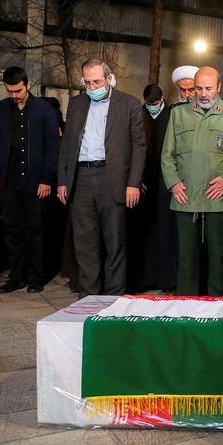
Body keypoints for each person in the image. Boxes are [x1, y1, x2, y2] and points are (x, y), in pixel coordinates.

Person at [57, 58, 146, 296]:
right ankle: (88, 296)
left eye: (97, 82)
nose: (92, 87)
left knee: (115, 242)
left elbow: (139, 146)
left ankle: (113, 297)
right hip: (81, 178)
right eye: (87, 83)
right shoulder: (76, 103)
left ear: (109, 78)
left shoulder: (129, 104)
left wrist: (133, 184)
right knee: (85, 244)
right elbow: (66, 144)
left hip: (112, 179)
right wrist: (63, 180)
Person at [161, 66, 223, 295]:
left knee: (220, 259)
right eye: (198, 88)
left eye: (208, 88)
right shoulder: (178, 113)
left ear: (219, 87)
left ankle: (220, 305)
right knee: (186, 259)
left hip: (218, 199)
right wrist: (173, 182)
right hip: (185, 197)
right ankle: (186, 303)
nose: (203, 93)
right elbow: (167, 154)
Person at [0, 66, 60, 294]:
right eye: (9, 91)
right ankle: (16, 277)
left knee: (35, 231)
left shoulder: (43, 110)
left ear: (27, 85)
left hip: (36, 182)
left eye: (18, 90)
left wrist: (47, 179)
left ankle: (36, 277)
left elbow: (53, 147)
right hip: (9, 182)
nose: (14, 95)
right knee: (12, 231)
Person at [140, 83, 178, 292]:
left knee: (165, 231)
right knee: (146, 230)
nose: (151, 107)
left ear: (162, 99)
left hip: (165, 183)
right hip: (144, 183)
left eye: (155, 104)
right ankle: (146, 278)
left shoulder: (172, 115)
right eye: (148, 104)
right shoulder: (140, 114)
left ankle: (166, 280)